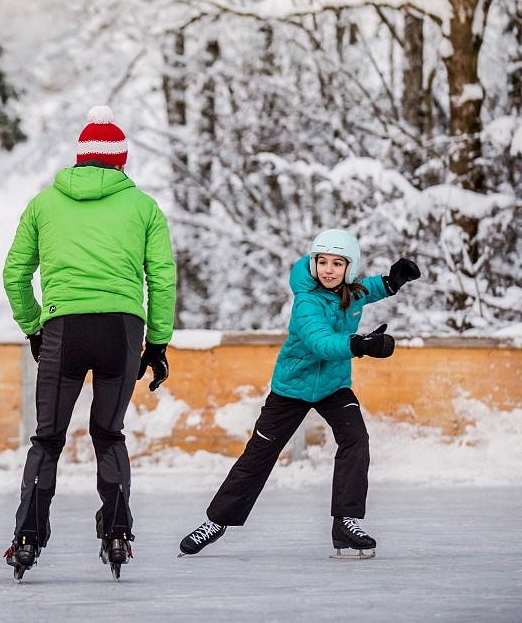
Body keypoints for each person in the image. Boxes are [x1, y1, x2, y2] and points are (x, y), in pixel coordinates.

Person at [1, 106, 176, 580]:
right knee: (108, 434)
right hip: (121, 330)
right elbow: (161, 278)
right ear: (121, 162)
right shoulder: (144, 207)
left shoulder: (44, 204)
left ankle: (27, 536)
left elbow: (15, 273)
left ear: (79, 159)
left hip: (65, 330)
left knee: (48, 437)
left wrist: (35, 326)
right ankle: (117, 531)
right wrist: (157, 343)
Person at [177, 229, 421, 559]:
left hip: (333, 386)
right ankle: (216, 522)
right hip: (292, 387)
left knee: (356, 439)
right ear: (313, 263)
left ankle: (346, 521)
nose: (329, 269)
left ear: (349, 269)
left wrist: (391, 282)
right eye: (322, 262)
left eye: (337, 263)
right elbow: (320, 342)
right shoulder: (306, 301)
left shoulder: (350, 291)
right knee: (259, 454)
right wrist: (360, 345)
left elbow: (368, 290)